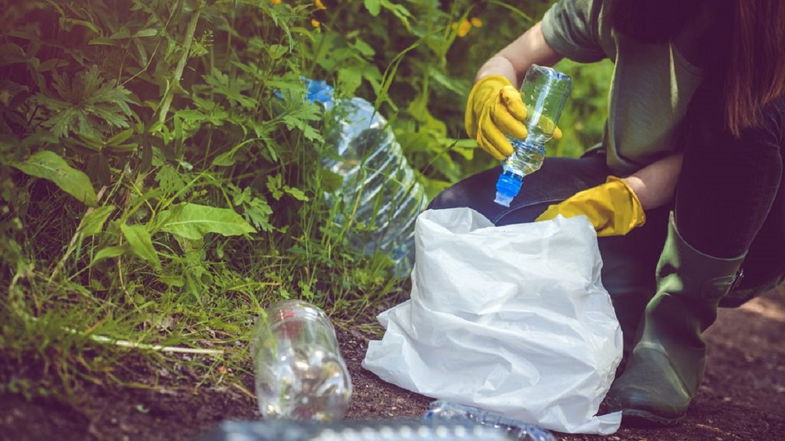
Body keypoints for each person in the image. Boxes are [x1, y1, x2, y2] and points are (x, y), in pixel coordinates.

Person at [429, 0, 785, 426]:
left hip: (739, 221)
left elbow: (730, 152)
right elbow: (513, 57)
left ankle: (671, 338)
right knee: (467, 215)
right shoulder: (614, 6)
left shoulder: (761, 23)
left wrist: (627, 196)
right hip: (629, 189)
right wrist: (491, 84)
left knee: (746, 123)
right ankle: (627, 299)